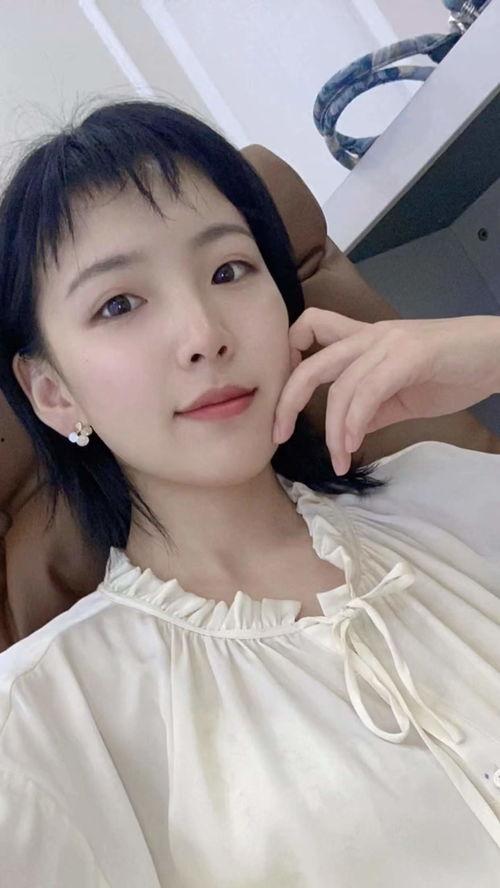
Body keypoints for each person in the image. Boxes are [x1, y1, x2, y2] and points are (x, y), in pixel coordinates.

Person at [0, 98, 499, 887]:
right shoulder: (41, 720)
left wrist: (491, 349)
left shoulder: (452, 493)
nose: (204, 334)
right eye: (119, 304)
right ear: (53, 394)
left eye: (229, 270)